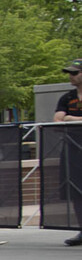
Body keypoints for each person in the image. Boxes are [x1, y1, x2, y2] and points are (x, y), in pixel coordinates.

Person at [53, 58, 82, 246]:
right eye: (69, 73)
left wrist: (70, 118)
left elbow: (65, 119)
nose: (71, 76)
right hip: (73, 148)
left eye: (74, 73)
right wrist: (75, 118)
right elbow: (57, 120)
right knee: (76, 190)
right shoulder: (67, 97)